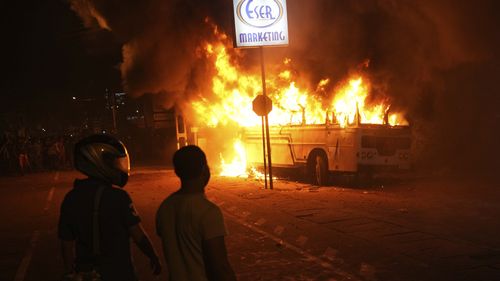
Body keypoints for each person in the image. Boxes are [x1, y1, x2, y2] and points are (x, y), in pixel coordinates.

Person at [58, 134, 161, 281]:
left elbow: (66, 243)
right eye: (114, 162)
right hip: (119, 272)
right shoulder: (118, 197)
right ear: (98, 162)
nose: (119, 167)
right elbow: (138, 235)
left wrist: (69, 272)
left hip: (86, 273)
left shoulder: (71, 198)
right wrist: (153, 256)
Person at [156, 145, 237, 281]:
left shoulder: (165, 207)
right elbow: (220, 267)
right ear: (204, 170)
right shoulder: (208, 212)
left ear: (177, 172)